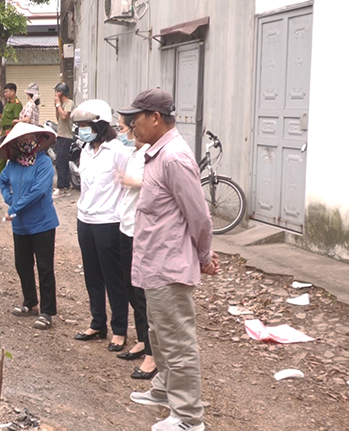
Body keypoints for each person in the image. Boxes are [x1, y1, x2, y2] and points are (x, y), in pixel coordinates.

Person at [118, 88, 218, 431]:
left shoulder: (174, 157)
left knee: (177, 341)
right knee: (159, 334)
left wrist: (204, 256)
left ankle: (189, 417)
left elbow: (199, 216)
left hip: (169, 266)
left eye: (136, 118)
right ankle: (163, 390)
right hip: (154, 262)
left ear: (156, 118)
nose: (132, 125)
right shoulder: (157, 154)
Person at [69, 99, 131, 352]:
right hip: (85, 220)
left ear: (101, 126)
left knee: (113, 278)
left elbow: (129, 184)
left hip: (109, 222)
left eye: (87, 125)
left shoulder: (118, 151)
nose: (83, 130)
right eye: (80, 125)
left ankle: (119, 330)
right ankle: (97, 323)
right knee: (92, 276)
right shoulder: (85, 150)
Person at [0, 123, 59, 330]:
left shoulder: (44, 163)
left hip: (42, 223)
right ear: (16, 144)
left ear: (37, 139)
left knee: (45, 267)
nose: (26, 142)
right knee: (22, 264)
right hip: (21, 225)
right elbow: (2, 181)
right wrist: (10, 200)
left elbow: (39, 191)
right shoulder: (13, 163)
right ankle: (30, 303)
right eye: (21, 140)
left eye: (29, 138)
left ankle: (47, 312)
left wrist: (14, 208)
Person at [114, 113, 156, 380]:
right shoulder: (133, 154)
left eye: (121, 128)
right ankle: (142, 340)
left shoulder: (153, 155)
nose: (120, 133)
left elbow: (159, 185)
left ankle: (153, 354)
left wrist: (134, 182)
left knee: (142, 293)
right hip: (125, 226)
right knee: (129, 287)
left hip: (141, 231)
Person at [0, 83, 23, 178]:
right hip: (4, 130)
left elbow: (16, 120)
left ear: (13, 92)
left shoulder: (16, 104)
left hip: (10, 130)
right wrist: (1, 130)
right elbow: (4, 118)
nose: (5, 94)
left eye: (6, 92)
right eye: (4, 92)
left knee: (6, 151)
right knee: (1, 150)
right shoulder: (8, 104)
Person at [52, 82, 75, 198]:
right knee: (63, 162)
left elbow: (65, 116)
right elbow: (58, 118)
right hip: (61, 135)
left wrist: (58, 105)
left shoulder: (69, 103)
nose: (55, 94)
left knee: (60, 162)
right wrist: (57, 105)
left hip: (66, 136)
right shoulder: (61, 104)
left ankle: (61, 188)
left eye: (57, 91)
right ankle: (66, 186)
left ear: (61, 92)